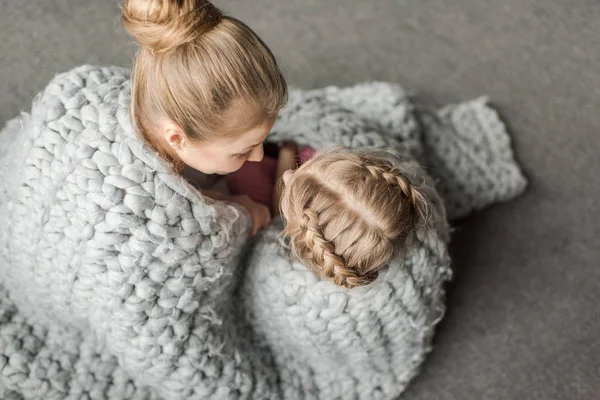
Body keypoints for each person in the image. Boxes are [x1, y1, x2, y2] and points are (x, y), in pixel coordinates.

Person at [122, 0, 288, 236]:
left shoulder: (156, 92)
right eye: (242, 151)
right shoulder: (140, 210)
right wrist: (235, 213)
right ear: (177, 138)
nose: (257, 157)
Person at [227, 142, 432, 289]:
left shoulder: (287, 261)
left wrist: (286, 154)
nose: (288, 175)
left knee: (245, 172)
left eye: (291, 183)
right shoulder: (352, 241)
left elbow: (276, 220)